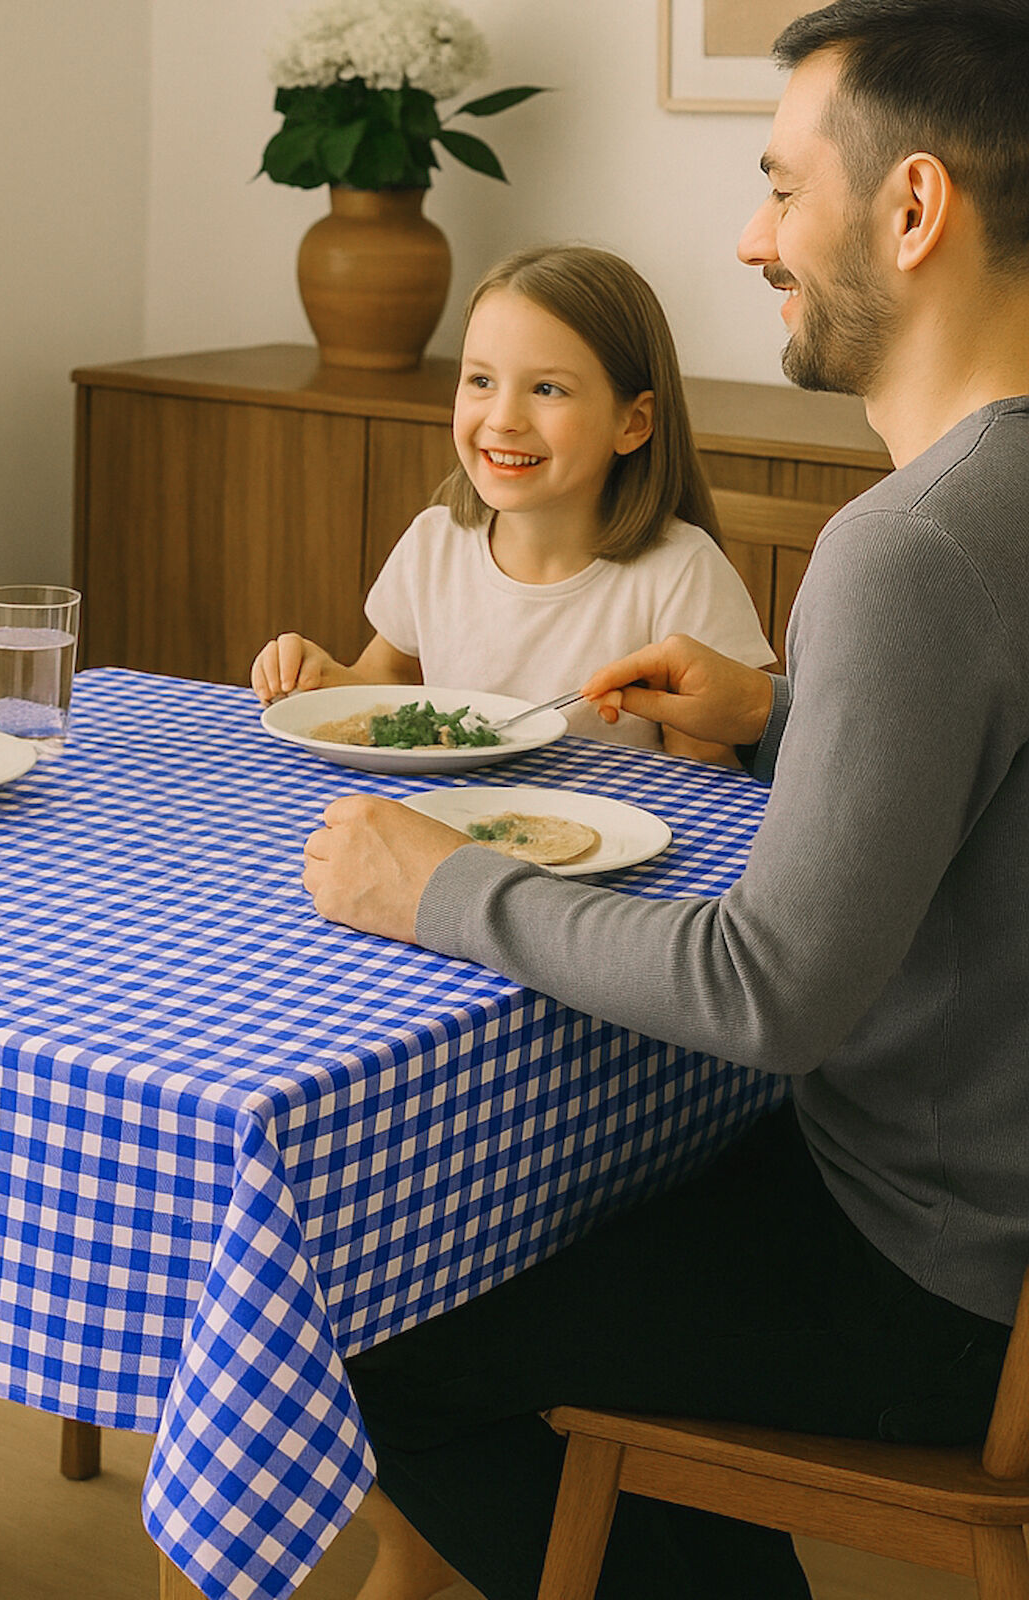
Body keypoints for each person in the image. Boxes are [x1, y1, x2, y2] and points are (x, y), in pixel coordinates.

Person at [301, 1, 1029, 1596]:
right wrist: (780, 715)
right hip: (993, 1224)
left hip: (934, 1267)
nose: (755, 234)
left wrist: (432, 882)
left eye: (781, 183)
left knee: (372, 1330)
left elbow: (767, 992)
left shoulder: (914, 548)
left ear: (913, 211)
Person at [251, 245, 774, 764]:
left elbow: (708, 778)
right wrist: (322, 680)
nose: (503, 418)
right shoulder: (435, 542)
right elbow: (384, 683)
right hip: (445, 830)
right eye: (481, 381)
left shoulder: (681, 573)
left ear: (632, 423)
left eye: (547, 389)